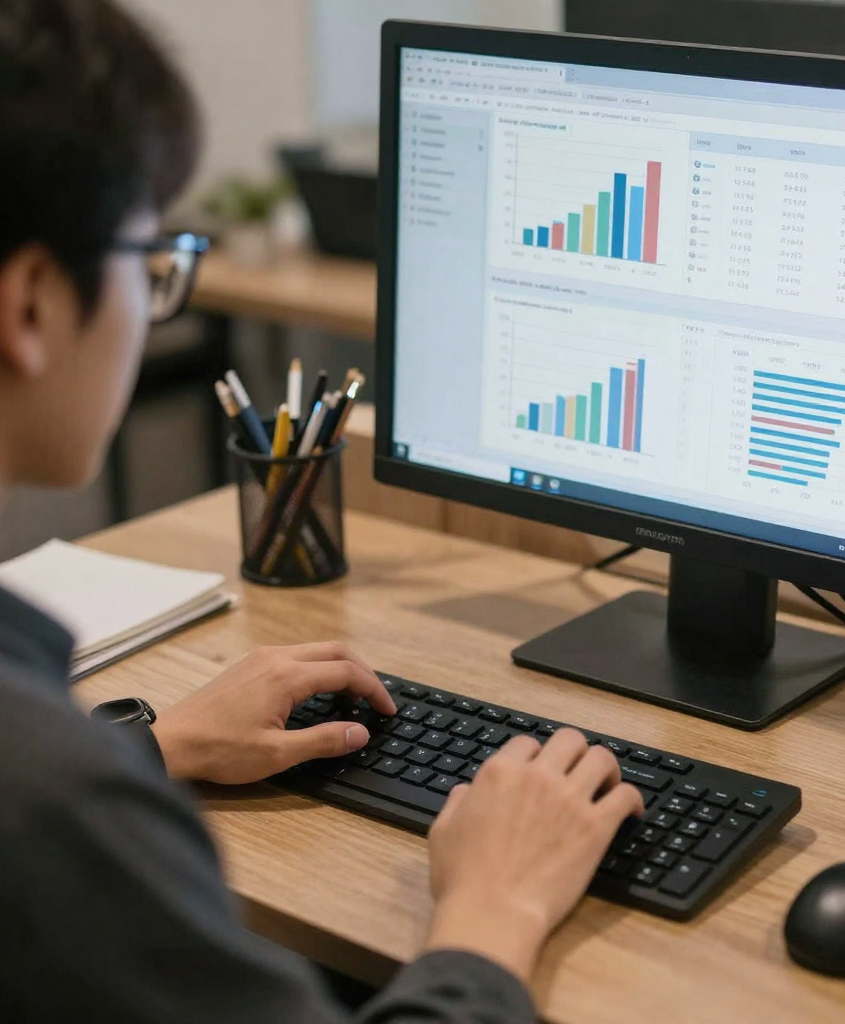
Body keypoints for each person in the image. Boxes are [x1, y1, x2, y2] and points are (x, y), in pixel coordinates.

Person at [0, 2, 645, 1022]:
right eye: (150, 259)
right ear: (31, 303)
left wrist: (154, 746)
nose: (156, 297)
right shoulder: (50, 808)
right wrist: (495, 908)